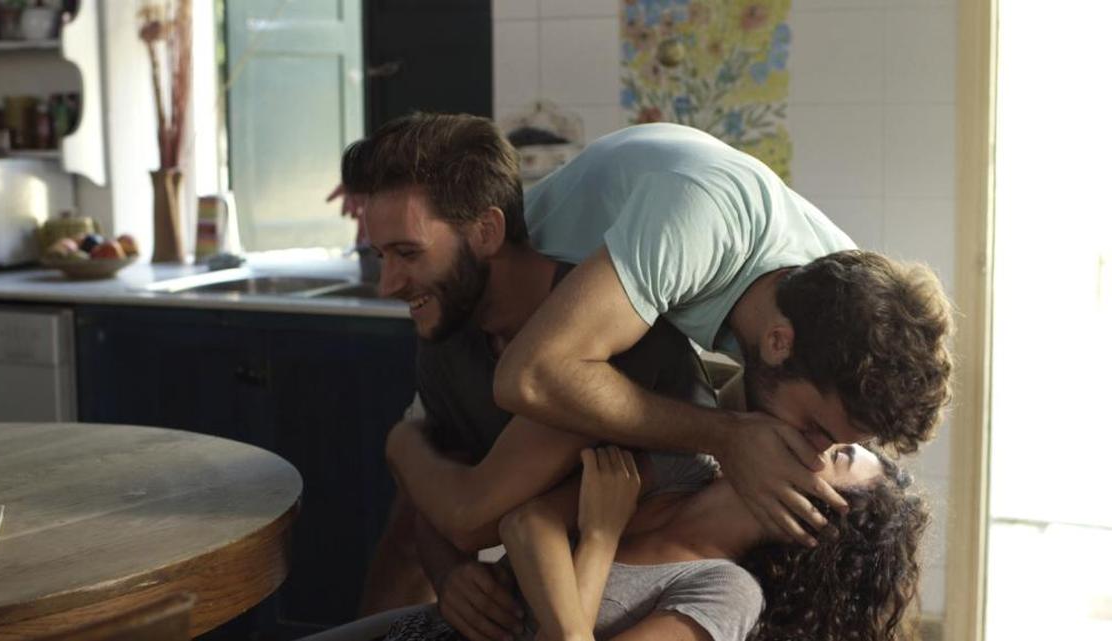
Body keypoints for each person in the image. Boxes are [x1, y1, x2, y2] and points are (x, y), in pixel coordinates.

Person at [342, 112, 732, 635]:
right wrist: (449, 573)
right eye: (381, 255)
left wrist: (399, 444)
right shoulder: (449, 330)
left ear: (486, 231)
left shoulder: (601, 331)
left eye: (408, 253)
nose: (388, 284)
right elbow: (435, 483)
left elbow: (470, 516)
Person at [488, 121, 954, 546]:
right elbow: (529, 376)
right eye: (815, 429)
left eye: (838, 446)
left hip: (580, 326)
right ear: (778, 341)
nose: (814, 456)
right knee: (472, 518)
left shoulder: (843, 300)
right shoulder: (701, 224)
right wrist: (725, 437)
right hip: (491, 301)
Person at [315, 442, 927, 641]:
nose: (818, 441)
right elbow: (525, 522)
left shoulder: (726, 593)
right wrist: (452, 580)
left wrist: (602, 531)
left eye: (839, 456)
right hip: (414, 629)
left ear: (819, 522)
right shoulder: (687, 466)